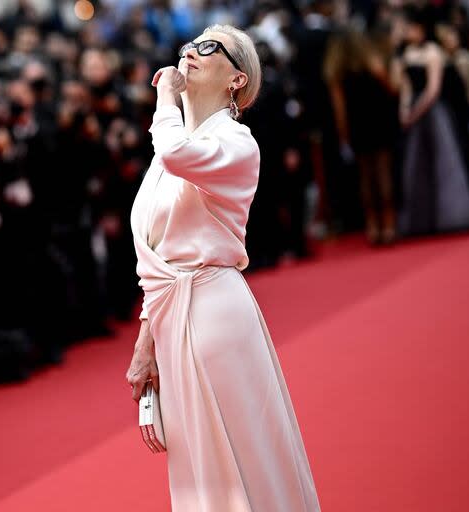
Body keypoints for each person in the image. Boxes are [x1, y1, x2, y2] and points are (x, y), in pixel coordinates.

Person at [125, 25, 320, 511]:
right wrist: (147, 340)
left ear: (238, 79)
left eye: (209, 47)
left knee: (243, 459)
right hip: (172, 317)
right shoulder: (171, 146)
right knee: (198, 469)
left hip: (215, 313)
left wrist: (165, 99)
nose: (190, 51)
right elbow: (158, 258)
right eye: (189, 45)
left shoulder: (236, 143)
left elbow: (173, 154)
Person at [395, 6, 469, 235]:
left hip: (434, 113)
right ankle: (422, 220)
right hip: (415, 113)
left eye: (411, 27)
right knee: (417, 168)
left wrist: (416, 111)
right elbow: (404, 86)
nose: (407, 31)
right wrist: (404, 109)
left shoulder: (433, 51)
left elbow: (433, 89)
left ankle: (452, 216)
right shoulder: (406, 54)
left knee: (446, 164)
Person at [324, 27, 399, 245]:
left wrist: (343, 135)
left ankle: (373, 226)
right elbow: (391, 89)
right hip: (379, 121)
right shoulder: (371, 64)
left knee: (366, 176)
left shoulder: (337, 72)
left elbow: (340, 110)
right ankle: (389, 224)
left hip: (358, 126)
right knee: (383, 172)